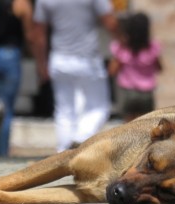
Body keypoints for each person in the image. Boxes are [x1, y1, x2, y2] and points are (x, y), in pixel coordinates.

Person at [33, 0, 117, 152]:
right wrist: (122, 45)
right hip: (87, 58)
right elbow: (110, 23)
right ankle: (81, 138)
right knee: (99, 107)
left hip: (59, 58)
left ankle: (63, 152)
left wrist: (40, 64)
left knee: (64, 111)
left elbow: (39, 34)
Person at [0, 0, 35, 157]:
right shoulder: (21, 3)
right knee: (5, 109)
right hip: (10, 55)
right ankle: (0, 153)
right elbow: (30, 33)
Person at [108, 12, 162, 122]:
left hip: (128, 93)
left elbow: (112, 71)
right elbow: (160, 68)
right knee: (146, 125)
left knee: (129, 127)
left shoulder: (123, 49)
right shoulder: (151, 48)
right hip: (146, 94)